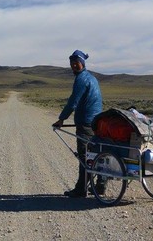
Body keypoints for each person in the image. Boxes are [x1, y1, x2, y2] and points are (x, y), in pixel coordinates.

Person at [52, 50, 105, 197]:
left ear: (83, 63)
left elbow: (73, 102)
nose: (74, 65)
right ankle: (100, 185)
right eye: (72, 63)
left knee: (85, 156)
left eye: (77, 63)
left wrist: (61, 119)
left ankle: (81, 189)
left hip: (86, 123)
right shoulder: (92, 78)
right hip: (96, 122)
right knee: (97, 154)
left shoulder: (81, 79)